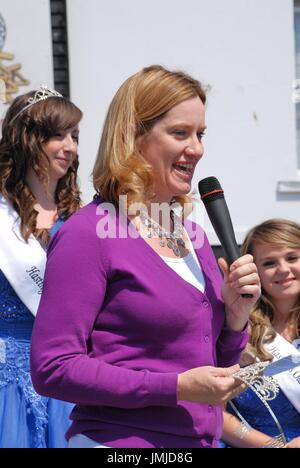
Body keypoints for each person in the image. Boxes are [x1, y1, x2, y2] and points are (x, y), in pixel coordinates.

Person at [30, 65, 261, 448]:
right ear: (134, 137)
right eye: (179, 133)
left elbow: (212, 373)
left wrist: (235, 321)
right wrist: (174, 387)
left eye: (200, 134)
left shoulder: (196, 238)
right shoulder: (89, 234)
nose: (197, 149)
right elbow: (53, 368)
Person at [0, 86, 82, 448]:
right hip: (7, 381)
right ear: (26, 139)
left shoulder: (82, 217)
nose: (70, 147)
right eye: (57, 135)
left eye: (75, 136)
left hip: (68, 377)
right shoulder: (2, 216)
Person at [222, 219, 300, 448]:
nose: (283, 269)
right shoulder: (235, 329)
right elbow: (213, 411)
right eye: (269, 263)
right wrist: (272, 447)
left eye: (292, 258)